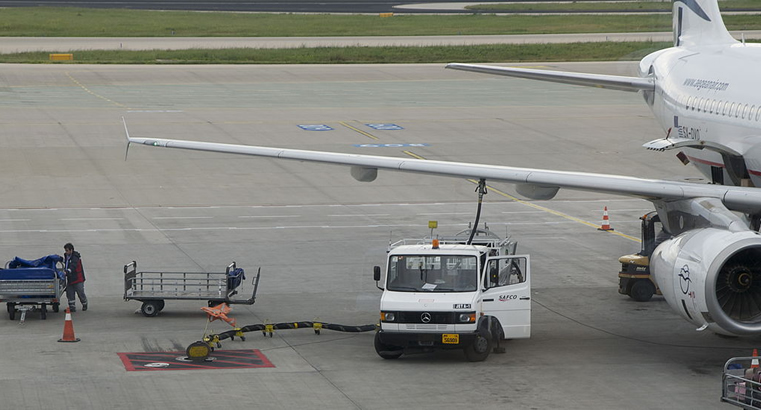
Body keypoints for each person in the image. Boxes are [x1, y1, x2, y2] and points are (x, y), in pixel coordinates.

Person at [62, 243, 87, 312]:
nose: (66, 252)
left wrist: (67, 272)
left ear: (71, 250)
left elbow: (73, 266)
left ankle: (84, 303)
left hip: (78, 279)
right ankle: (72, 307)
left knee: (80, 292)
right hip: (70, 279)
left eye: (67, 250)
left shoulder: (75, 257)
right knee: (69, 293)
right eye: (65, 251)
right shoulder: (67, 256)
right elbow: (66, 262)